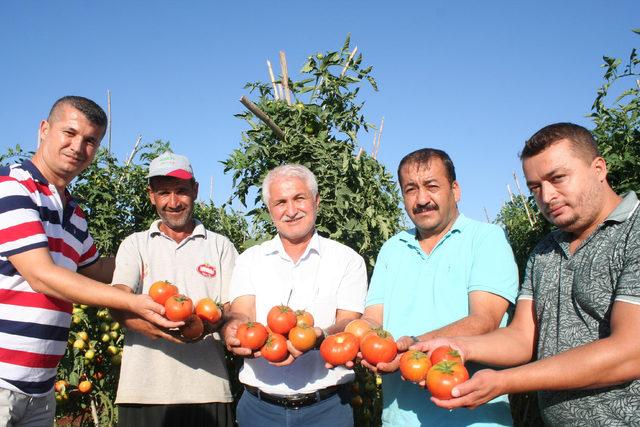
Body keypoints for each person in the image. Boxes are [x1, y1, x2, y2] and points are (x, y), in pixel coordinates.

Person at [414, 123, 640, 425]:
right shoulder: (545, 250)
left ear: (599, 168)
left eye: (558, 178)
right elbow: (522, 337)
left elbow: (631, 351)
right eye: (535, 187)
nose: (547, 196)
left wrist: (505, 381)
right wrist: (459, 347)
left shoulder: (633, 233)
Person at [0, 96, 176, 427]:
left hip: (41, 388)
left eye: (90, 140)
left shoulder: (74, 213)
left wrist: (153, 251)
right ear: (44, 129)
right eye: (69, 133)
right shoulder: (12, 186)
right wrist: (132, 301)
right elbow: (42, 276)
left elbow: (95, 270)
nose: (78, 147)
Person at [363, 148, 519, 426]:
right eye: (411, 189)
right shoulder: (392, 248)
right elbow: (373, 319)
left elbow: (484, 319)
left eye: (432, 186)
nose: (422, 199)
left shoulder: (486, 239)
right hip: (399, 419)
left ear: (455, 190)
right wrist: (352, 340)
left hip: (473, 418)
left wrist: (411, 347)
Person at [222, 164, 368, 427]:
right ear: (270, 209)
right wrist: (234, 329)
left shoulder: (347, 260)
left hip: (328, 409)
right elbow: (241, 313)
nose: (290, 211)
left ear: (316, 201)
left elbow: (350, 321)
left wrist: (319, 335)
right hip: (259, 409)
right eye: (280, 202)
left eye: (299, 198)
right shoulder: (250, 260)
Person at [110, 151, 239, 427]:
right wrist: (160, 329)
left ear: (195, 190)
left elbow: (233, 308)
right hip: (144, 391)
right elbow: (118, 299)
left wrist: (209, 325)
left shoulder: (220, 246)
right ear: (151, 195)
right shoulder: (135, 244)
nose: (173, 202)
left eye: (181, 191)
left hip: (208, 388)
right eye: (164, 192)